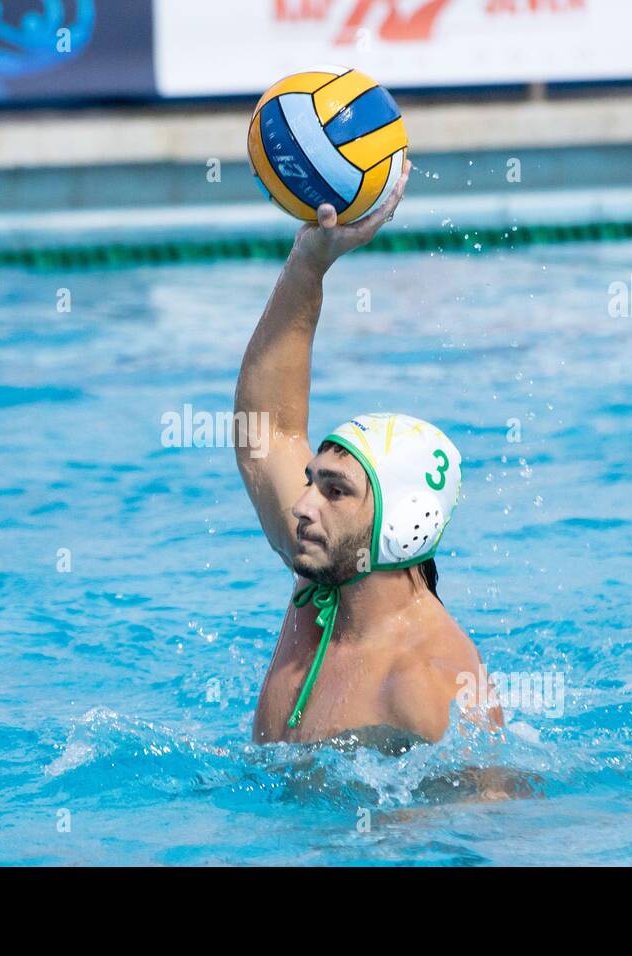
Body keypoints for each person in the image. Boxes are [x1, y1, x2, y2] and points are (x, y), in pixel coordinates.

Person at [234, 159, 503, 744]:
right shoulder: (322, 585)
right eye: (312, 482)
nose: (304, 505)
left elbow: (489, 824)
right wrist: (310, 263)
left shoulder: (430, 686)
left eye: (335, 491)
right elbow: (266, 435)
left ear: (398, 524)